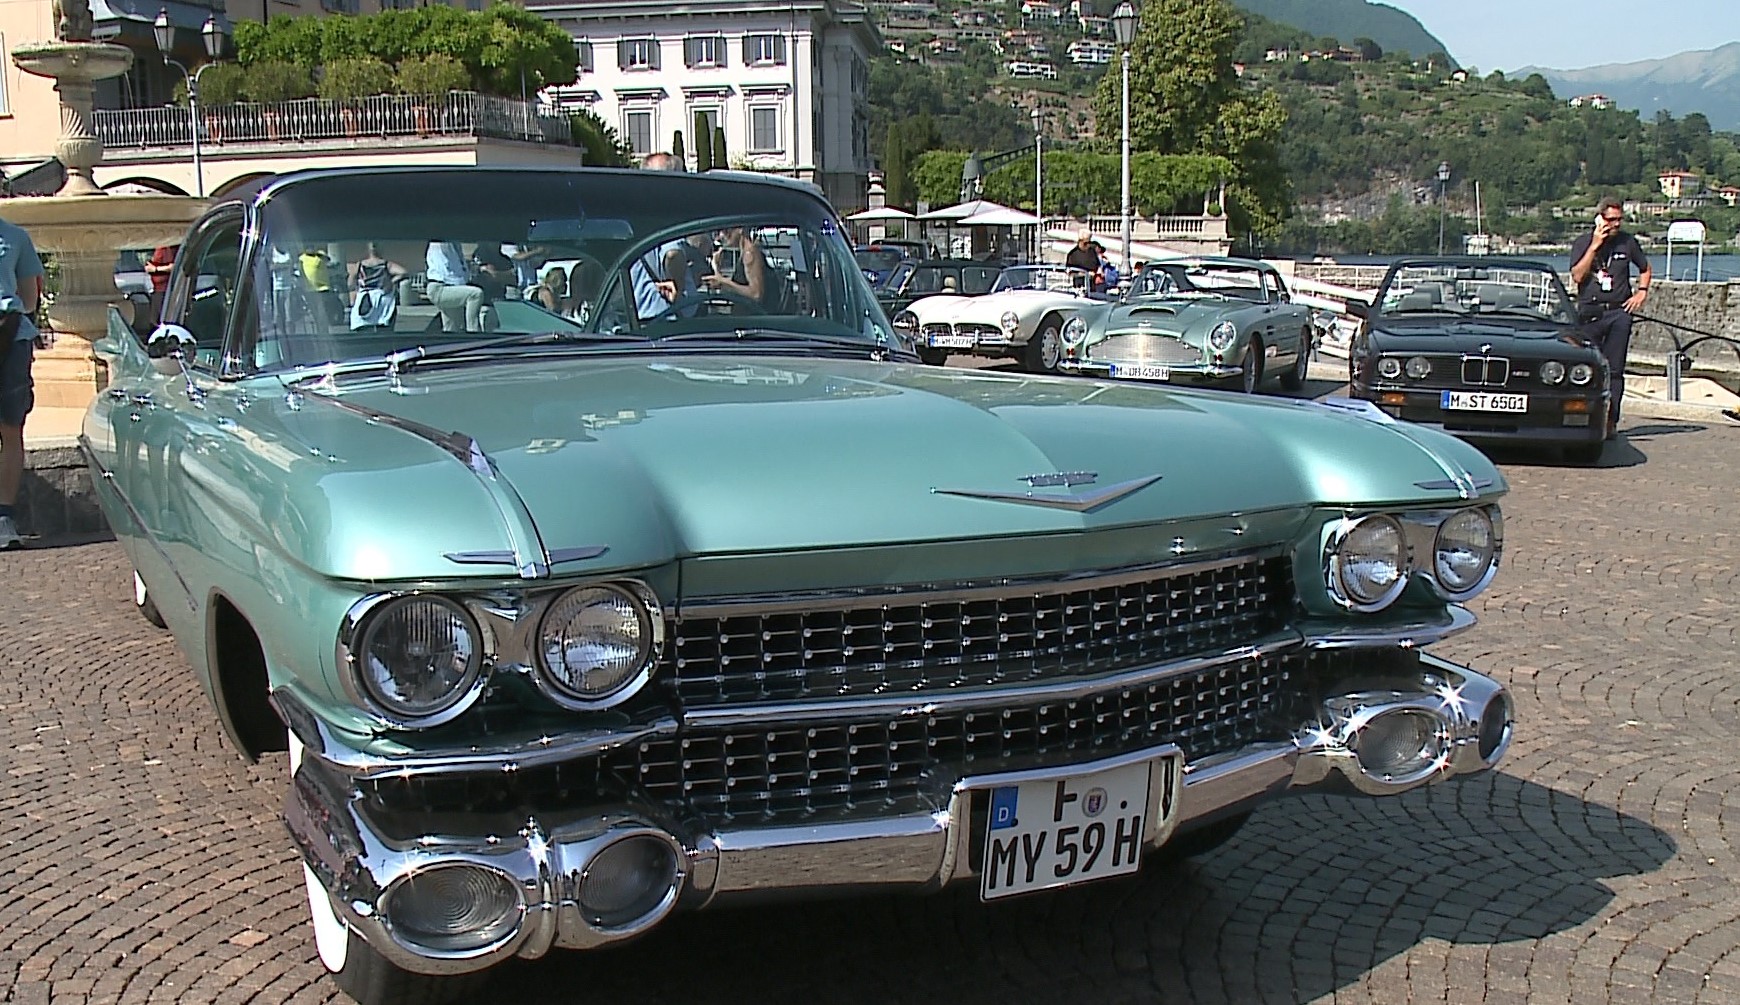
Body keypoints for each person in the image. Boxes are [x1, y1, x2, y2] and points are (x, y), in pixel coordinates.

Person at [1569, 197, 1652, 435]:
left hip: (1618, 312)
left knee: (1615, 369)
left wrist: (1641, 293)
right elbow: (1577, 276)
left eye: (1619, 219)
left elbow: (1645, 268)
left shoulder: (1628, 243)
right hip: (1590, 312)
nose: (1616, 224)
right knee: (1586, 367)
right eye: (1611, 219)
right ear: (1599, 219)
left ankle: (1610, 420)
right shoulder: (1583, 242)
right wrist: (1595, 245)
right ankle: (1583, 416)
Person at [0, 212, 46, 549]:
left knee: (10, 427)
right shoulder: (15, 237)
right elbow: (29, 300)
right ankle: (4, 518)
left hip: (12, 340)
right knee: (11, 428)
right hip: (10, 338)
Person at [423, 240, 485, 332]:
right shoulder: (439, 244)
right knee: (475, 294)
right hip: (440, 288)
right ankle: (473, 332)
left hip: (450, 287)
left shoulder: (456, 245)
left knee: (451, 329)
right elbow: (450, 275)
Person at [348, 242, 407, 331]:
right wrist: (391, 281)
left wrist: (354, 292)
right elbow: (403, 272)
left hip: (365, 298)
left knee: (363, 326)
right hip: (382, 297)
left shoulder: (359, 265)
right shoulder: (386, 264)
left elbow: (350, 283)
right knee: (384, 327)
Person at [144, 243, 176, 327]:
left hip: (167, 290)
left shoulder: (169, 248)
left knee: (165, 321)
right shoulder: (159, 248)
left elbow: (174, 266)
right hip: (157, 290)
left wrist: (156, 269)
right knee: (154, 322)